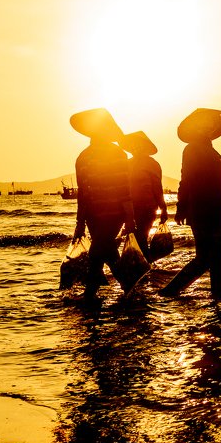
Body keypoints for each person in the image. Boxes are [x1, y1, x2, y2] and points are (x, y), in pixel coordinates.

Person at [161, 108, 221, 301]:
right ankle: (170, 292)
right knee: (205, 258)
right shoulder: (192, 149)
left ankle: (218, 297)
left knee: (218, 259)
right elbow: (186, 179)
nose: (208, 127)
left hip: (218, 210)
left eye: (210, 124)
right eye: (203, 124)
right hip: (201, 209)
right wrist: (181, 207)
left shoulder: (214, 152)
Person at [70, 108, 136, 300]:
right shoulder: (112, 154)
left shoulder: (87, 156)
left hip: (106, 214)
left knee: (98, 251)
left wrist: (80, 222)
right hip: (103, 214)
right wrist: (80, 223)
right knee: (106, 251)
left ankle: (91, 294)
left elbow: (123, 187)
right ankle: (127, 289)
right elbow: (85, 192)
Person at [121, 131, 169, 261]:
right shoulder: (126, 163)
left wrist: (163, 208)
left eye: (138, 144)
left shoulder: (152, 164)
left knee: (141, 238)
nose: (135, 147)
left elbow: (157, 188)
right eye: (132, 145)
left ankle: (145, 265)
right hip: (129, 209)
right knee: (134, 239)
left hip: (147, 208)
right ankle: (143, 266)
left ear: (144, 146)